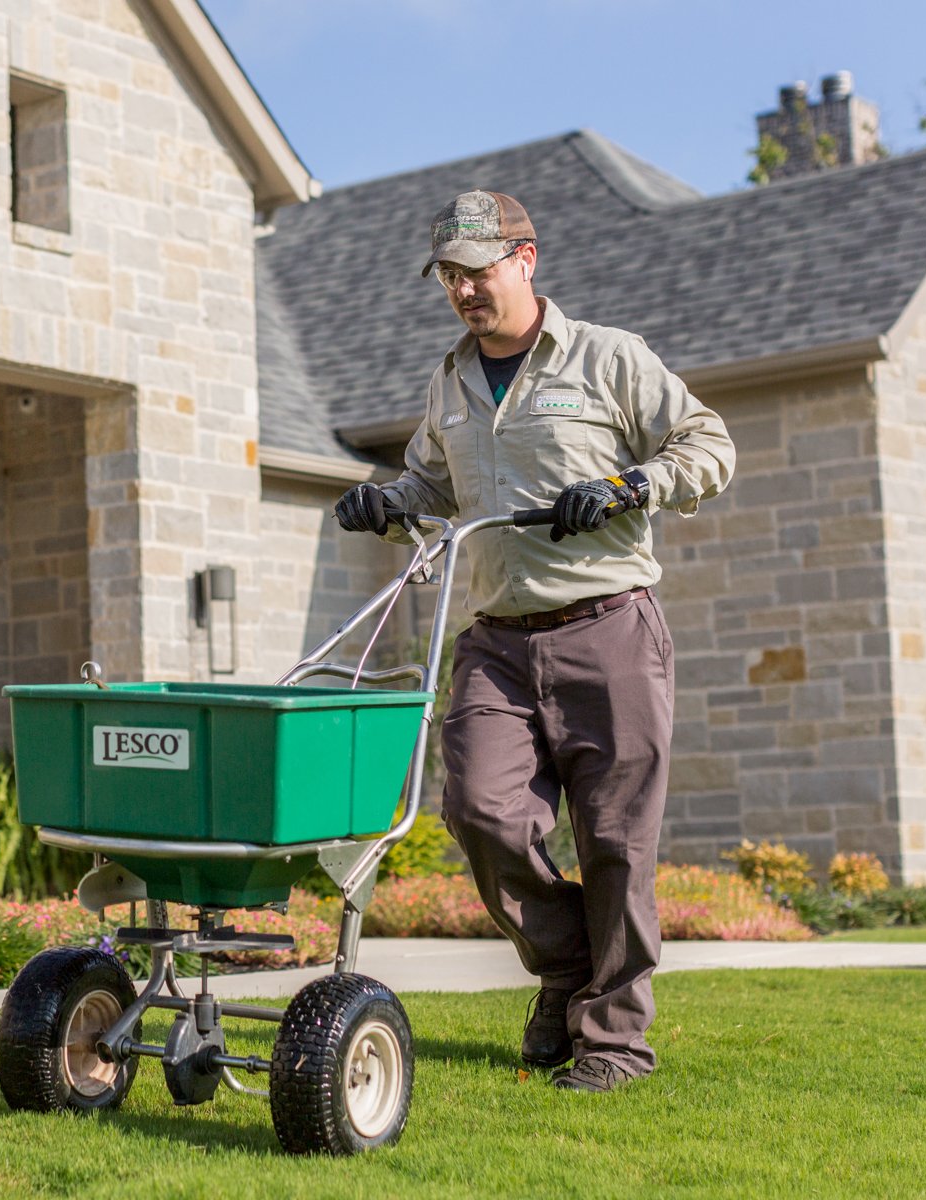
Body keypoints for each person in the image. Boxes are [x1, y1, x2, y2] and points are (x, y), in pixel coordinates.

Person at [333, 190, 734, 1092]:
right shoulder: (449, 381)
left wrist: (632, 487)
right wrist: (386, 503)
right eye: (448, 276)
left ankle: (615, 1042)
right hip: (497, 641)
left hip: (610, 629)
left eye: (478, 269)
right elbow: (430, 487)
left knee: (616, 843)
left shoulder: (609, 358)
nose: (464, 289)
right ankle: (566, 969)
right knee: (479, 813)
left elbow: (709, 446)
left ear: (527, 259)